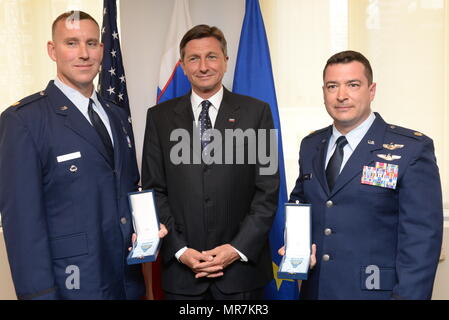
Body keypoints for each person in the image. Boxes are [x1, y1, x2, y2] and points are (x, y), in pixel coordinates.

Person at [0, 11, 166, 300]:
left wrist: (146, 229)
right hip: (72, 284)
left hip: (126, 281)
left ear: (102, 50)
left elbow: (125, 189)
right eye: (71, 43)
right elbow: (23, 226)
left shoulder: (116, 115)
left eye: (91, 43)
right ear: (53, 50)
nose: (83, 53)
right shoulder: (24, 121)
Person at [284, 50, 443, 299]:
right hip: (316, 291)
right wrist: (298, 250)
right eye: (332, 86)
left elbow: (422, 242)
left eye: (353, 85)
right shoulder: (311, 145)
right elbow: (302, 205)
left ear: (371, 90)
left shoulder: (411, 149)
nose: (341, 95)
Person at [141, 24, 279, 300]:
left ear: (226, 61)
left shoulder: (257, 113)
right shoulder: (159, 118)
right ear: (182, 65)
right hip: (182, 276)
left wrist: (235, 249)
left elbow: (268, 190)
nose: (203, 66)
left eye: (212, 56)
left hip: (242, 275)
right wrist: (180, 250)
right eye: (194, 58)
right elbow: (154, 190)